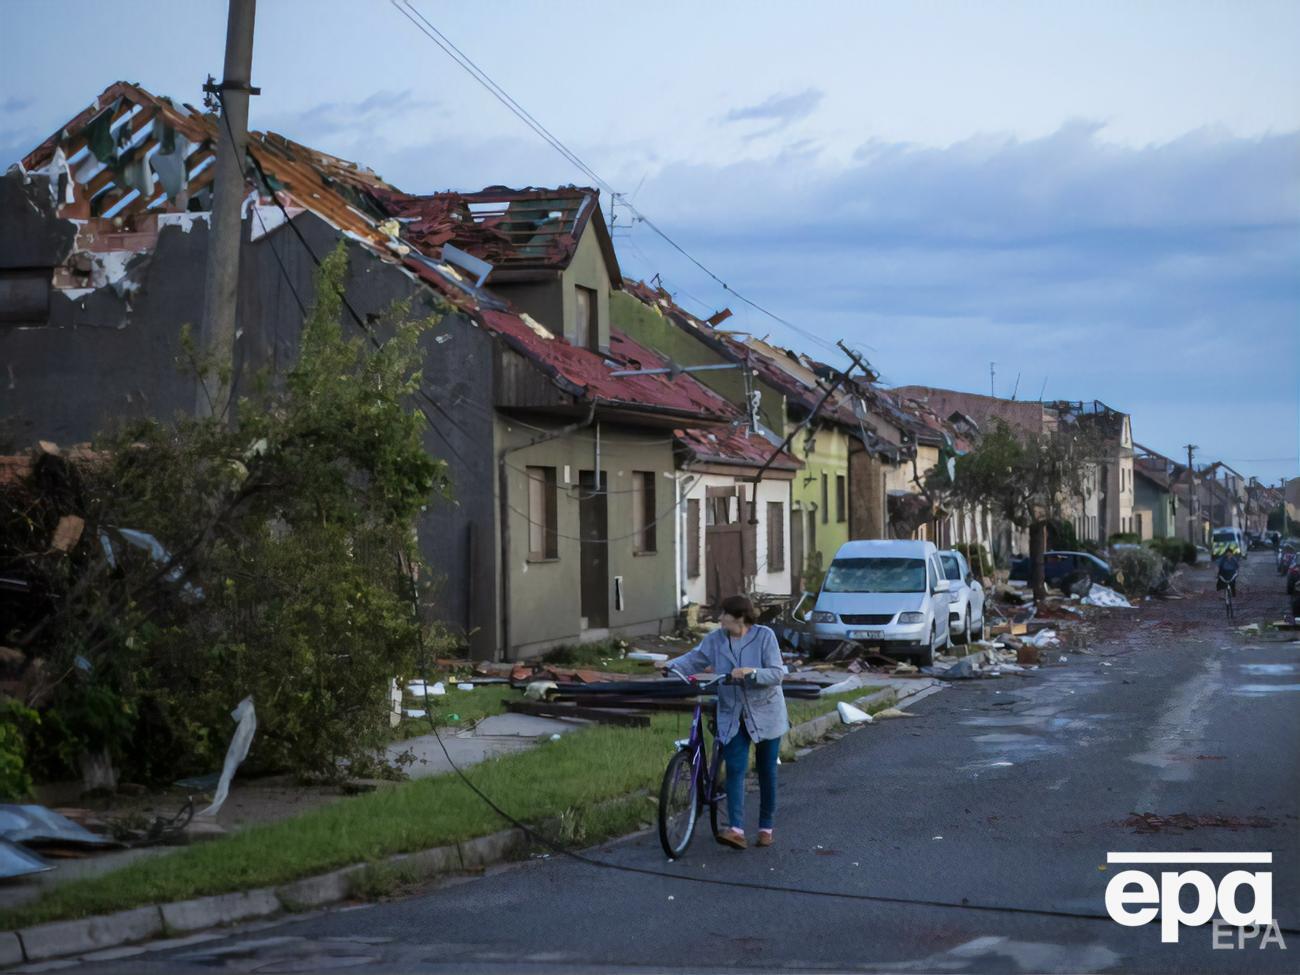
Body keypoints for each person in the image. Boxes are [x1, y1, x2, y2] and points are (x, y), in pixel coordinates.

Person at [666, 595, 788, 850]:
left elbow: (777, 673)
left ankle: (766, 828)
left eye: (724, 615)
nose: (719, 619)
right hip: (732, 713)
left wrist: (751, 672)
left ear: (739, 617)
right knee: (735, 768)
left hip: (765, 713)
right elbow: (695, 658)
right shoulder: (716, 639)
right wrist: (670, 665)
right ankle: (736, 830)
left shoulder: (764, 636)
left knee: (767, 771)